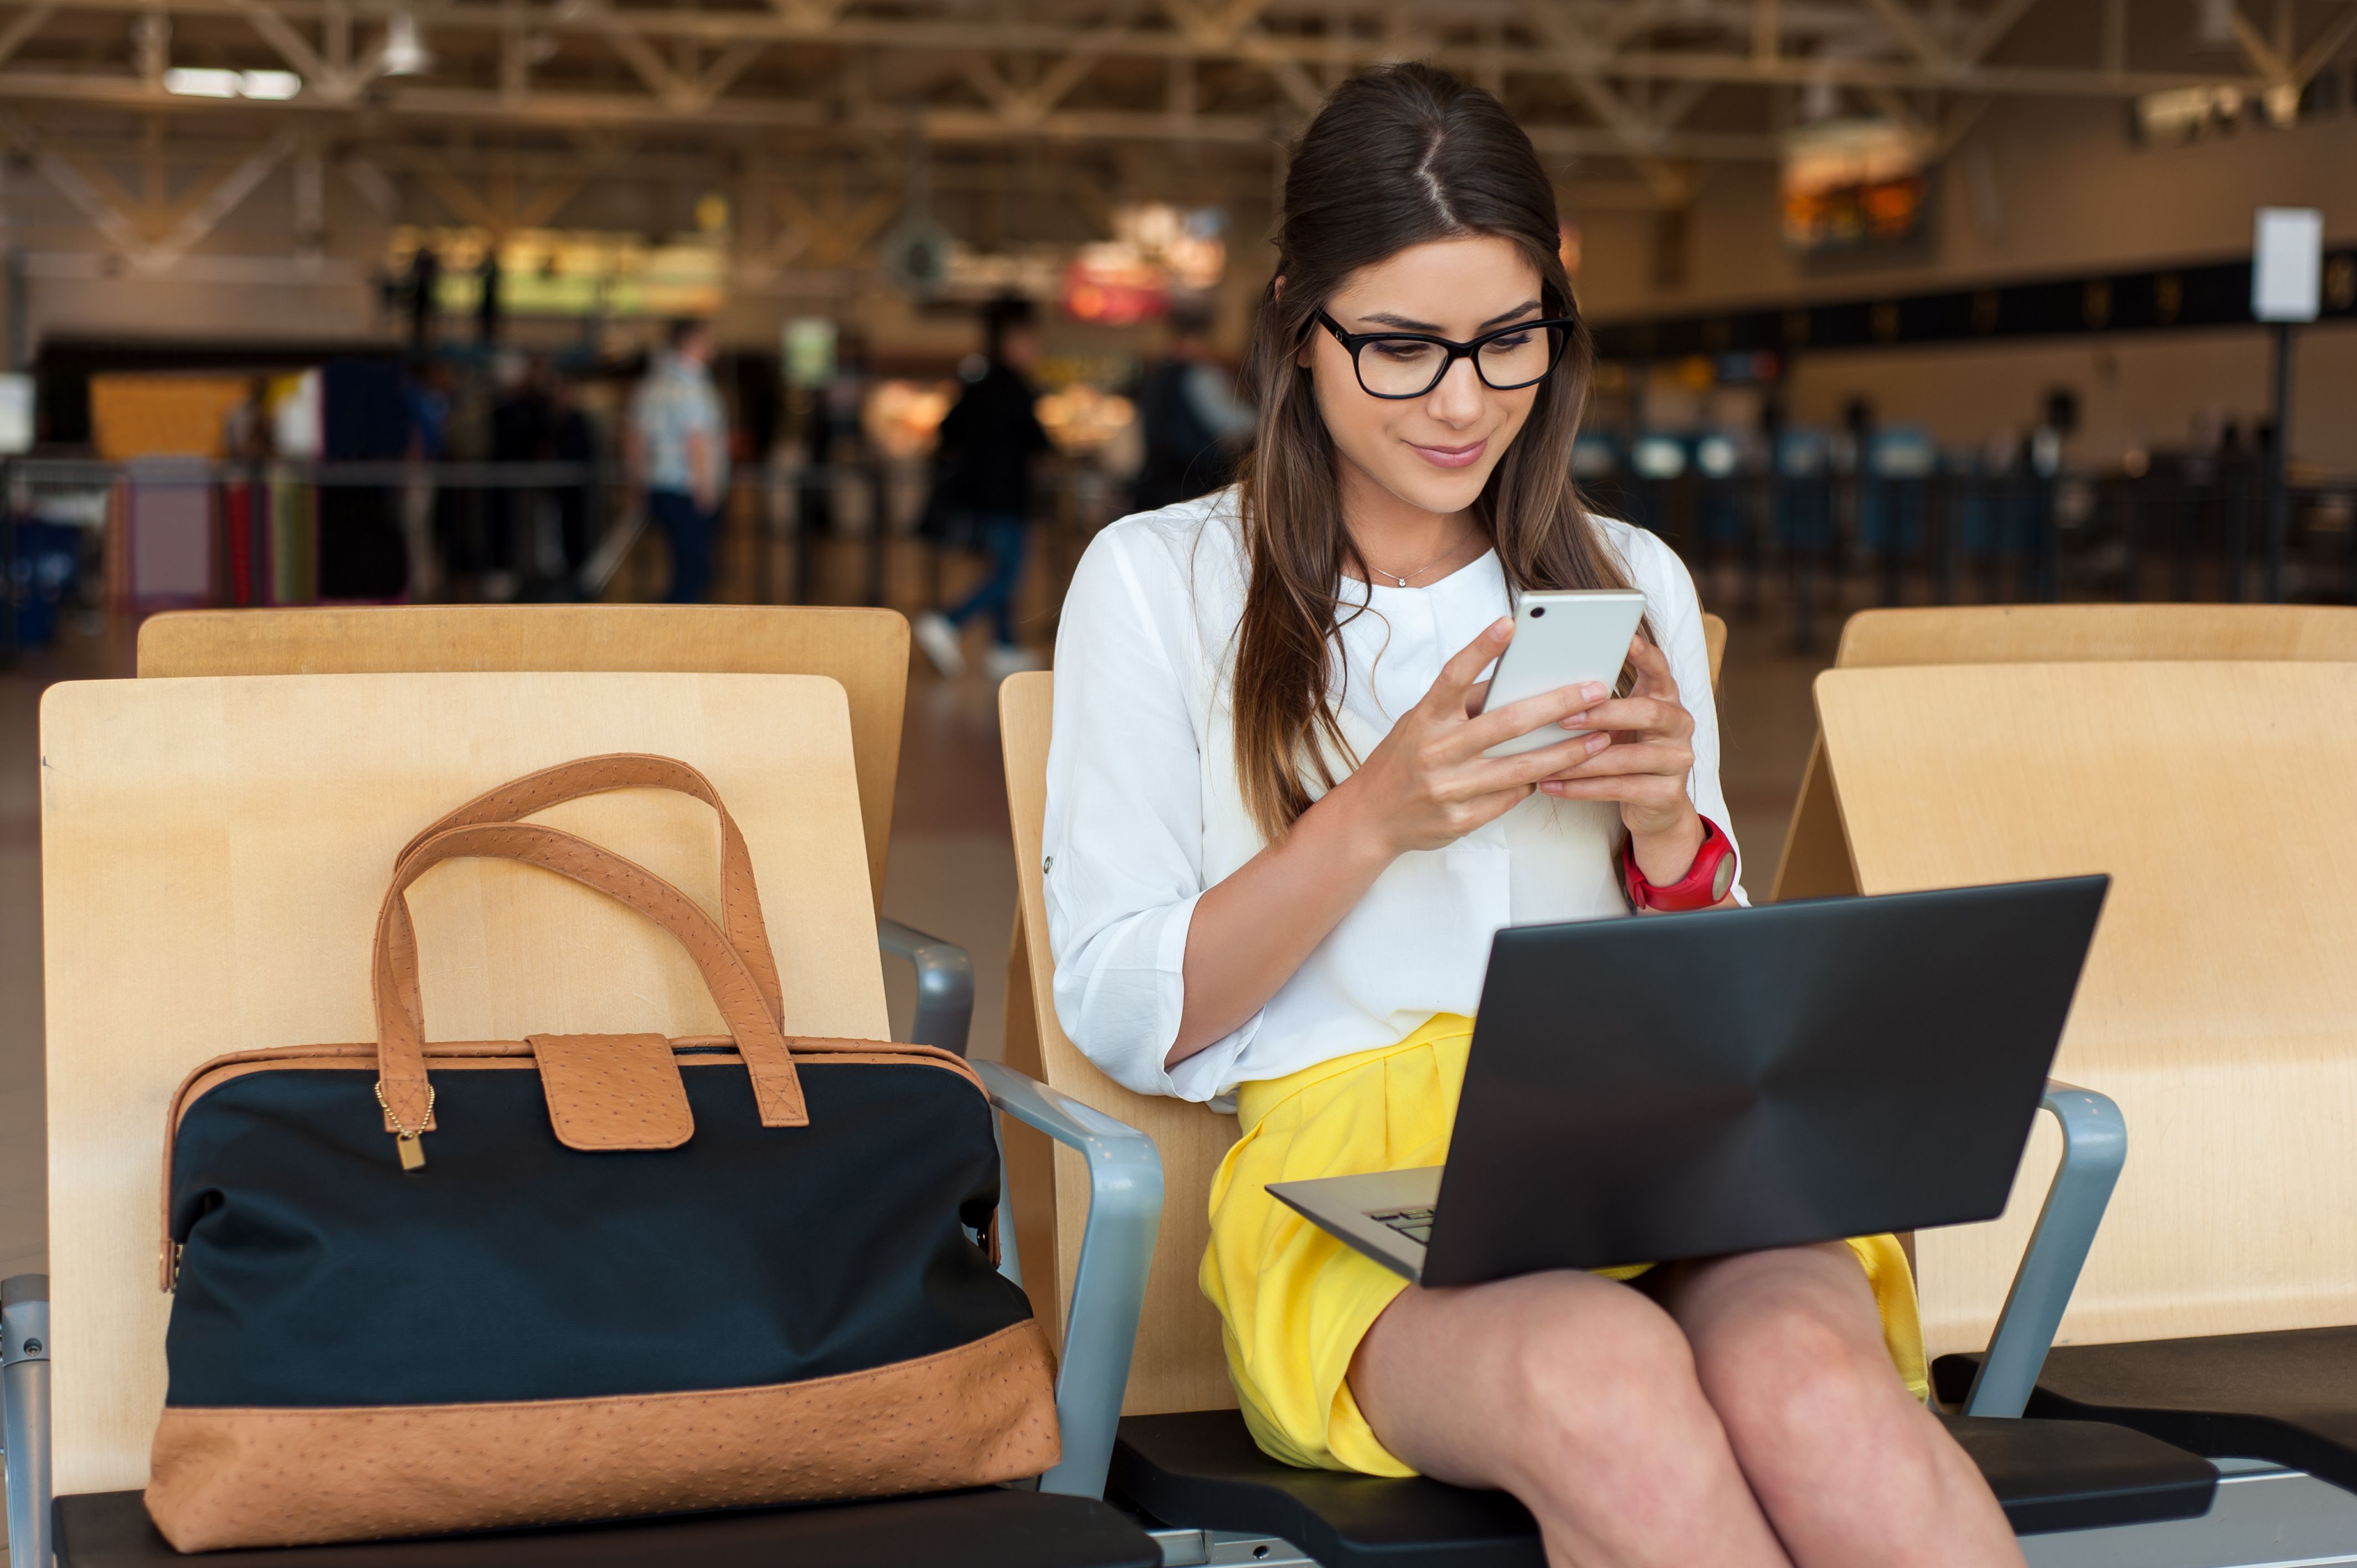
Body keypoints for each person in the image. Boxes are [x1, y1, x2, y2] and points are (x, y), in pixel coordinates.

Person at [1044, 64, 2021, 1568]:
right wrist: (1369, 819)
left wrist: (1668, 843)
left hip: (1652, 1130)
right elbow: (1119, 1008)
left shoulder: (1627, 572)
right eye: (1401, 349)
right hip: (1358, 1177)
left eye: (1510, 342)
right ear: (1296, 323)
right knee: (1610, 1386)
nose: (1463, 401)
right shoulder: (1165, 581)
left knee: (1826, 1398)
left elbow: (1711, 977)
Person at [913, 297, 1052, 679]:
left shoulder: (977, 384)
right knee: (1008, 574)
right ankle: (947, 622)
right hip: (1008, 497)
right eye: (1029, 341)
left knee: (1002, 569)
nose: (1034, 348)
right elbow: (1041, 445)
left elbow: (946, 431)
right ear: (1011, 341)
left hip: (979, 498)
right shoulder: (1017, 389)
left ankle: (1004, 649)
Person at [627, 319, 729, 604]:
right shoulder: (694, 387)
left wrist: (638, 484)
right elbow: (696, 439)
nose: (713, 347)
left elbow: (635, 440)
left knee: (680, 564)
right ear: (692, 343)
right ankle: (678, 639)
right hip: (688, 487)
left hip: (659, 485)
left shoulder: (651, 385)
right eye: (708, 340)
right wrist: (705, 486)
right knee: (695, 571)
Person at [1131, 307, 1254, 513]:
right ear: (1197, 338)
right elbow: (1234, 421)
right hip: (1194, 483)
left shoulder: (1158, 374)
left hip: (1157, 483)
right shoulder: (1200, 375)